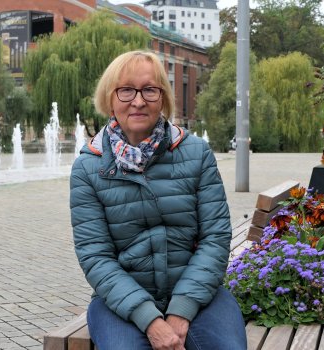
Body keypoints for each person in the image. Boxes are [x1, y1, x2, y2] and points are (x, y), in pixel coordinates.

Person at [70, 50, 247, 350]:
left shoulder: (196, 154)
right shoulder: (89, 168)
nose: (138, 101)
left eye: (150, 90)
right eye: (126, 90)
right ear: (109, 98)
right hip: (121, 304)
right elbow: (96, 257)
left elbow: (215, 238)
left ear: (163, 98)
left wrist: (182, 309)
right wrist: (150, 320)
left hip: (200, 295)